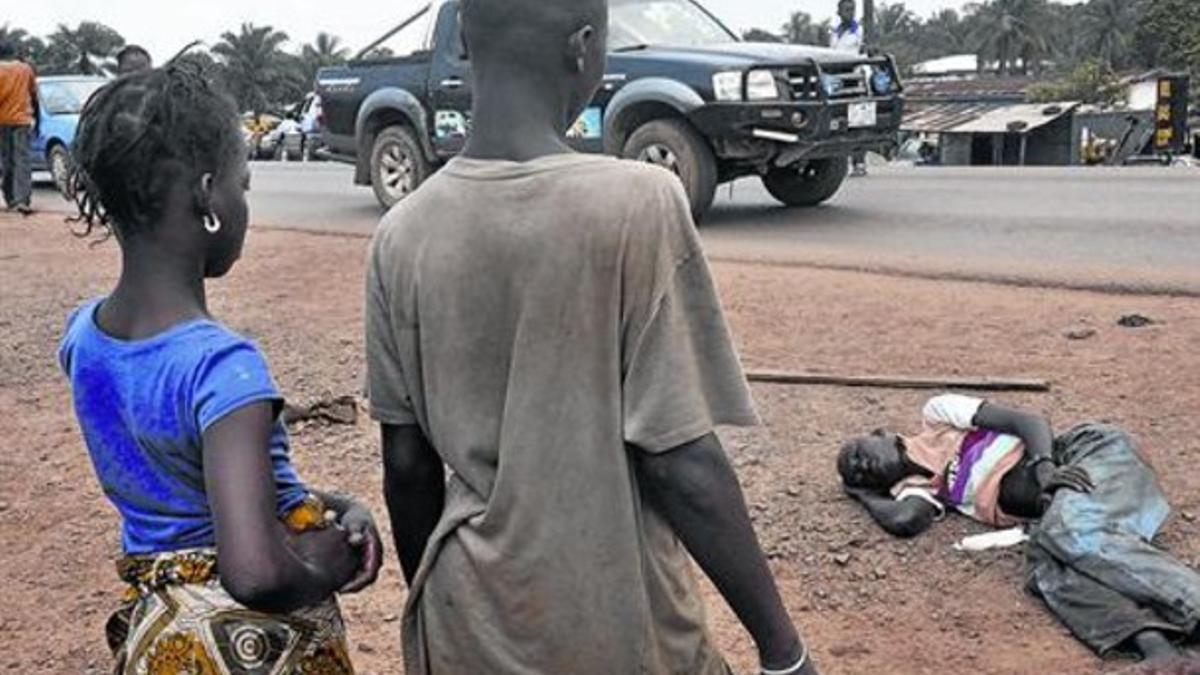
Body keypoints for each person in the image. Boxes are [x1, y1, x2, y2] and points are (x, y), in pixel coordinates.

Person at [365, 0, 817, 673]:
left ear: (461, 39)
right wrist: (783, 650)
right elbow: (679, 460)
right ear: (583, 47)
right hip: (619, 626)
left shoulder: (400, 235)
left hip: (469, 624)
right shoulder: (638, 204)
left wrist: (440, 608)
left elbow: (406, 468)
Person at [59, 65, 382, 673]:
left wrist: (333, 503)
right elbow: (255, 571)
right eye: (244, 185)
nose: (245, 206)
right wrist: (331, 561)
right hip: (242, 647)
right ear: (208, 195)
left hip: (162, 635)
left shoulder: (83, 338)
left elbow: (192, 485)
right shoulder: (222, 369)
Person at [838, 393, 1200, 668]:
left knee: (1068, 532)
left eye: (855, 452)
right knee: (1046, 571)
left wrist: (1045, 469)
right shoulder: (921, 490)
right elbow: (903, 522)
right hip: (1063, 512)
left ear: (880, 432)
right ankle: (1159, 650)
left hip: (1085, 456)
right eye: (855, 473)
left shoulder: (938, 415)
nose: (859, 465)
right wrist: (860, 494)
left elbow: (1028, 421)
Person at [828, 0, 868, 177]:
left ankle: (859, 162)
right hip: (837, 79)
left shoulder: (859, 31)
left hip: (855, 78)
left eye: (852, 10)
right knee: (838, 120)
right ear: (839, 12)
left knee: (857, 120)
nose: (849, 13)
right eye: (846, 10)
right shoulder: (834, 33)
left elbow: (865, 53)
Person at [0, 39, 38, 215]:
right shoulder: (25, 69)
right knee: (23, 160)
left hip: (3, 121)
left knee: (7, 161)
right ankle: (23, 200)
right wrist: (36, 118)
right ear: (13, 52)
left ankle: (10, 199)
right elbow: (33, 94)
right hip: (22, 121)